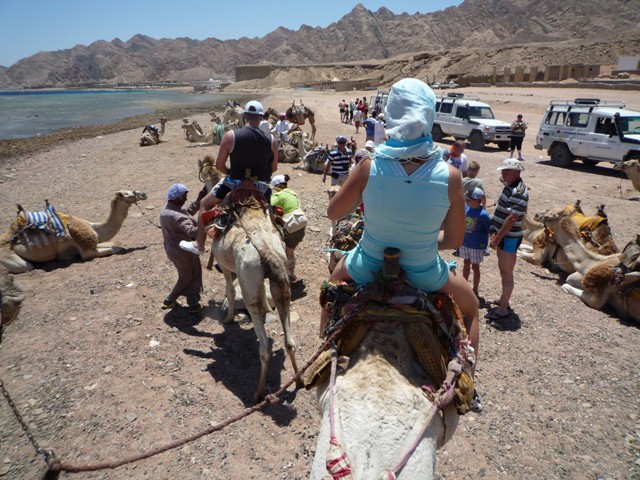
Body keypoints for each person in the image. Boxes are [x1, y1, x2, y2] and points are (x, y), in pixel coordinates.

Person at [323, 78, 479, 369]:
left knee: (332, 287)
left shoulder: (368, 165)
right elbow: (455, 240)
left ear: (391, 114)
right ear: (429, 117)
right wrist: (424, 240)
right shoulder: (451, 176)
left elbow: (334, 212)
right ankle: (466, 376)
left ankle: (324, 354)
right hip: (424, 273)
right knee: (471, 307)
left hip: (367, 264)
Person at [180, 100, 278, 256]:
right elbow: (273, 168)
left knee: (204, 204)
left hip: (235, 182)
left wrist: (234, 174)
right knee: (273, 214)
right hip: (260, 185)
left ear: (245, 115)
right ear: (261, 117)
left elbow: (219, 166)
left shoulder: (230, 136)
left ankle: (199, 244)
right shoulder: (272, 140)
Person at [487, 158, 529, 321]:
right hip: (505, 237)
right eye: (503, 170)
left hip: (508, 238)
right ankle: (503, 299)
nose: (503, 173)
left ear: (517, 172)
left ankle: (503, 308)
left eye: (507, 171)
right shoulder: (510, 186)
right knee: (504, 271)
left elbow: (511, 219)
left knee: (507, 272)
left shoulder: (518, 191)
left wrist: (497, 238)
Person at [160, 183, 208, 312]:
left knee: (192, 273)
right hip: (183, 252)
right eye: (185, 196)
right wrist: (207, 221)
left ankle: (193, 303)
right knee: (187, 276)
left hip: (174, 249)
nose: (186, 199)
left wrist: (199, 199)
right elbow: (192, 231)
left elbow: (187, 212)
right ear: (178, 198)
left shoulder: (168, 209)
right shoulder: (176, 216)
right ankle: (169, 300)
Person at [270, 174, 306, 281]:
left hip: (290, 225)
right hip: (301, 223)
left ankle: (280, 274)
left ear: (279, 186)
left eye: (275, 188)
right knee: (290, 252)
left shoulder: (278, 196)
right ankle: (290, 273)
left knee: (276, 248)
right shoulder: (293, 193)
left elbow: (267, 206)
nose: (275, 191)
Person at [461, 187, 491, 298]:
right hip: (466, 242)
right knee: (466, 263)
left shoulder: (483, 215)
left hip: (477, 245)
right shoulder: (466, 208)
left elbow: (489, 229)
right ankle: (464, 285)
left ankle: (475, 289)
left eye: (468, 199)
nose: (466, 200)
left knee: (475, 266)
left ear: (475, 200)